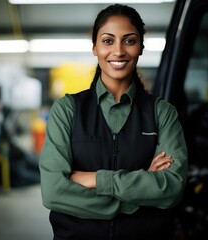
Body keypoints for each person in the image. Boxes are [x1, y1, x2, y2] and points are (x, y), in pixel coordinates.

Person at [39, 4, 188, 240]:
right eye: (108, 41)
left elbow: (171, 188)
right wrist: (134, 198)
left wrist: (95, 179)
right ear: (95, 47)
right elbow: (53, 192)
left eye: (129, 41)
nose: (118, 51)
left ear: (140, 47)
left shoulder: (162, 113)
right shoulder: (67, 110)